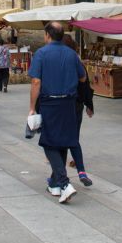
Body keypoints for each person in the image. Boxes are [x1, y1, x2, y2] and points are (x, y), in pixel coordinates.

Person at [28, 22, 86, 204]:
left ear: (47, 35)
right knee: (61, 142)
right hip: (68, 102)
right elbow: (83, 77)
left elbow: (36, 81)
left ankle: (64, 182)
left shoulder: (41, 53)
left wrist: (31, 107)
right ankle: (55, 184)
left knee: (48, 141)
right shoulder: (71, 54)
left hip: (50, 102)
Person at [62, 35, 94, 187]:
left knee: (60, 139)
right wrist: (89, 104)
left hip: (62, 103)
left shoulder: (62, 59)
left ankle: (59, 173)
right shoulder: (77, 60)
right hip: (78, 104)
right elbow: (86, 85)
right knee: (73, 137)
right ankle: (81, 171)